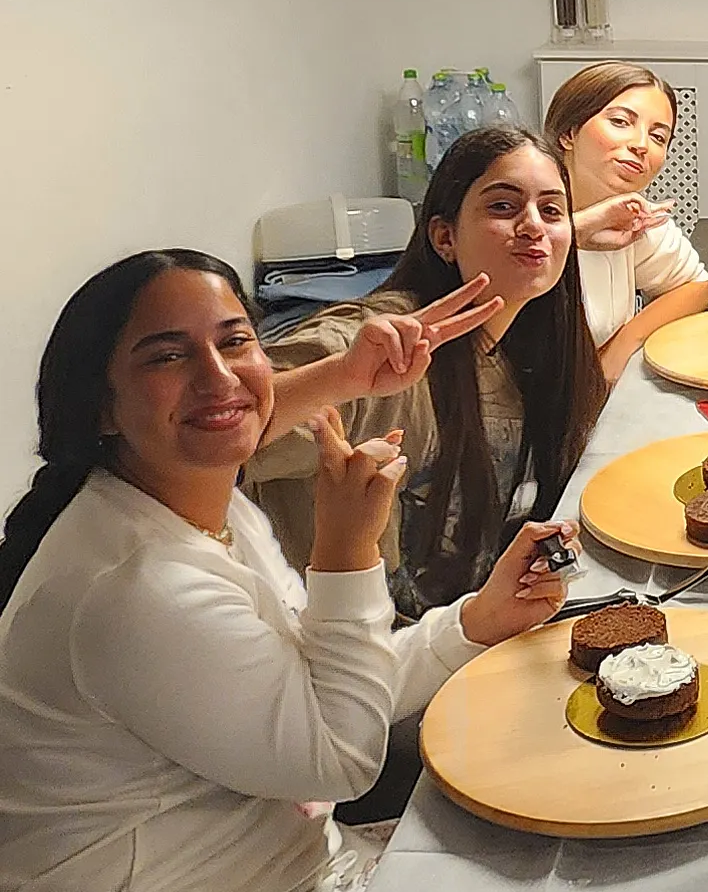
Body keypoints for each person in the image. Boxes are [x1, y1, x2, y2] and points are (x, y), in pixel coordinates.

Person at [0, 250, 575, 892]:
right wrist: (347, 549)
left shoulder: (192, 504)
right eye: (167, 354)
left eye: (236, 341)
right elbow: (337, 755)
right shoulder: (134, 585)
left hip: (292, 881)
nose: (218, 375)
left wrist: (473, 622)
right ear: (100, 404)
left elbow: (323, 685)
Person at [248, 123, 607, 618]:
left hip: (460, 629)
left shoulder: (530, 347)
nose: (532, 226)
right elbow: (217, 434)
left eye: (551, 210)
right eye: (503, 207)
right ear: (444, 237)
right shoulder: (380, 347)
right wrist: (341, 376)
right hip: (362, 650)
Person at [544, 62, 708, 380]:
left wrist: (621, 347)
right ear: (569, 132)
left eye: (658, 137)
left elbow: (696, 286)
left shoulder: (631, 216)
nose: (641, 145)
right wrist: (578, 231)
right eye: (620, 122)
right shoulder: (519, 210)